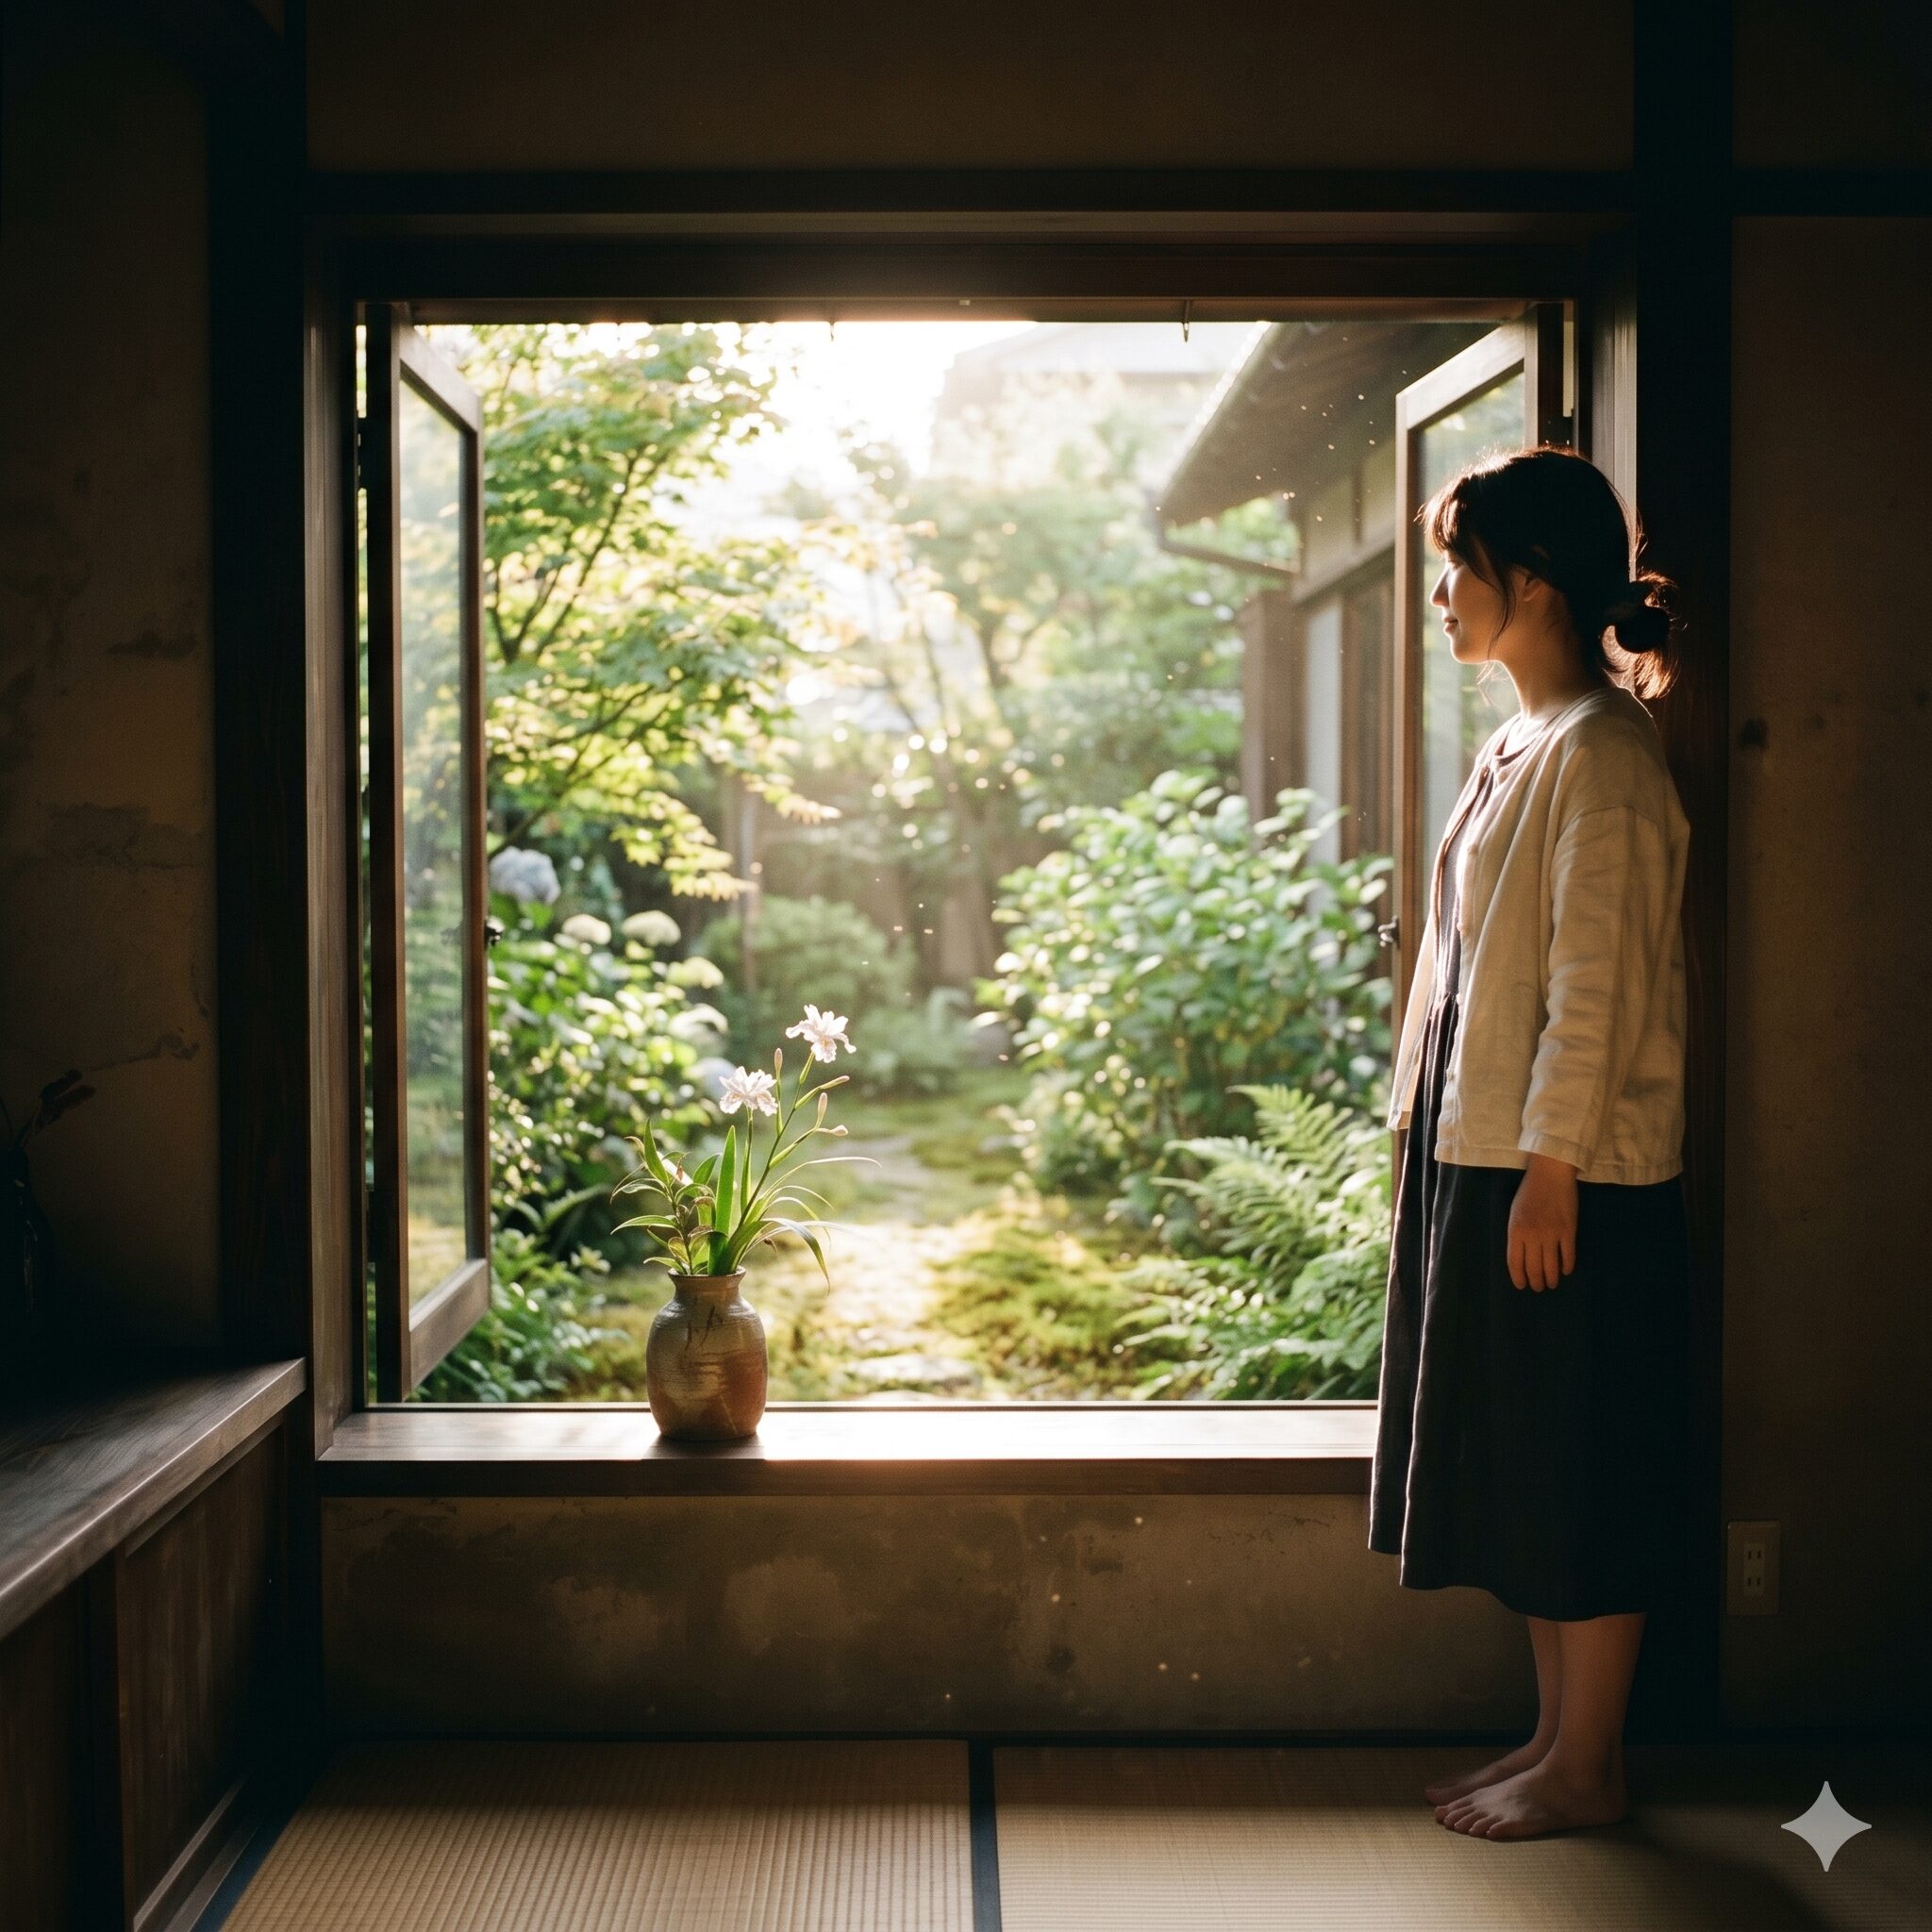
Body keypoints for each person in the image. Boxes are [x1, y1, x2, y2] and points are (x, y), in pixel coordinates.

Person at [1366, 444, 1694, 1840]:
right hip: (1492, 1152)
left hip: (1568, 1173)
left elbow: (1597, 987)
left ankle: (1588, 1764)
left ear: (1535, 582)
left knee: (1581, 1457)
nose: (1442, 595)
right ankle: (1560, 1744)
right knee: (1532, 1456)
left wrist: (1551, 1165)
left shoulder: (1606, 758)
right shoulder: (1526, 741)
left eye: (1460, 565)